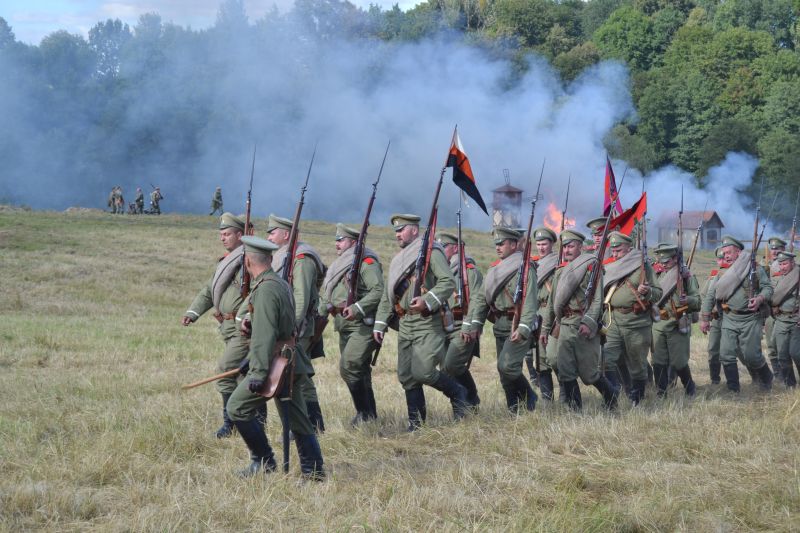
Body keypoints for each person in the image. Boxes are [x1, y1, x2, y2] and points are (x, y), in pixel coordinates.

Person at [226, 235, 325, 480]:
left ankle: (264, 461)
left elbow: (265, 335)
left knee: (236, 407)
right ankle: (314, 473)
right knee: (299, 418)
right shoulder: (278, 283)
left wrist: (258, 373)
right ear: (270, 259)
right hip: (290, 359)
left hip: (276, 363)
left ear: (247, 261)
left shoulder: (266, 289)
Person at [373, 214, 467, 431]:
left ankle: (457, 392)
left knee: (423, 372)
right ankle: (416, 423)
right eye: (396, 231)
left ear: (414, 230)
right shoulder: (399, 259)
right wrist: (380, 324)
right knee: (406, 375)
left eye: (401, 230)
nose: (397, 234)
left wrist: (427, 301)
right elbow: (390, 294)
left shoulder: (431, 252)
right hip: (406, 323)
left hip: (427, 322)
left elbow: (447, 282)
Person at [181, 213, 251, 438]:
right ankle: (249, 423)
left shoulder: (249, 261)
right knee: (242, 375)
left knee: (224, 371)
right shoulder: (226, 261)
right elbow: (209, 290)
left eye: (227, 234)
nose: (223, 238)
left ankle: (230, 424)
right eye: (221, 234)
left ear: (240, 235)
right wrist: (193, 312)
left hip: (244, 329)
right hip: (227, 328)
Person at [539, 230, 618, 410]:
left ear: (580, 247)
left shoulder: (591, 266)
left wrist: (588, 322)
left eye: (571, 246)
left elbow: (598, 300)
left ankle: (611, 396)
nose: (566, 250)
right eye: (565, 246)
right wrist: (545, 330)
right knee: (565, 370)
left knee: (589, 374)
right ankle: (575, 410)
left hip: (583, 325)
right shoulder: (560, 272)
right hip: (565, 324)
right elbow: (552, 303)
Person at [318, 223, 384, 425]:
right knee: (360, 369)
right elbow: (329, 292)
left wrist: (357, 308)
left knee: (349, 366)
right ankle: (369, 415)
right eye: (336, 240)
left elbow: (378, 290)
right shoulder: (341, 264)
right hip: (343, 324)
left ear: (353, 242)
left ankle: (363, 413)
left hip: (362, 323)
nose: (337, 244)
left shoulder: (367, 261)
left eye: (341, 240)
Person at [266, 214, 327, 432]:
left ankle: (314, 424)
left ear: (286, 235)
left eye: (273, 232)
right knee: (294, 375)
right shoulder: (284, 256)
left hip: (299, 327)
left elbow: (300, 297)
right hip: (292, 326)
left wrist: (291, 327)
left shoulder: (302, 259)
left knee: (300, 376)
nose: (269, 236)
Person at [470, 226, 539, 412]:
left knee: (507, 366)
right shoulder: (494, 270)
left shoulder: (525, 268)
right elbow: (482, 298)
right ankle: (514, 408)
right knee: (504, 373)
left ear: (515, 244)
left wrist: (524, 329)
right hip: (500, 324)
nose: (498, 247)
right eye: (496, 244)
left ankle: (530, 396)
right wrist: (476, 324)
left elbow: (531, 301)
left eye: (502, 244)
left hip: (518, 324)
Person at [699, 235, 774, 392]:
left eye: (729, 252)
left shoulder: (754, 268)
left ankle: (767, 379)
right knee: (725, 355)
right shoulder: (722, 273)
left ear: (738, 252)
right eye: (724, 253)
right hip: (729, 318)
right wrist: (705, 318)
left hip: (750, 318)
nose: (726, 255)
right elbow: (711, 296)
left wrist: (760, 298)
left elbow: (768, 288)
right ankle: (734, 390)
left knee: (752, 356)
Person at [601, 231, 661, 404]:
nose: (615, 253)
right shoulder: (611, 266)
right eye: (613, 249)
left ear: (628, 247)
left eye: (619, 249)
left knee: (637, 364)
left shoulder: (642, 266)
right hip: (613, 320)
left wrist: (648, 291)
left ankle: (638, 398)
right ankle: (613, 394)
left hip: (636, 322)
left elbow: (658, 293)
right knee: (606, 359)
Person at [436, 231, 483, 409]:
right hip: (444, 325)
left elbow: (478, 301)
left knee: (451, 366)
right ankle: (461, 406)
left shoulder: (469, 271)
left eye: (444, 247)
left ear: (455, 248)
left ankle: (470, 398)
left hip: (463, 325)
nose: (440, 251)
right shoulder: (441, 270)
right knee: (447, 369)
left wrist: (470, 325)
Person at [651, 243, 700, 397]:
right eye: (661, 262)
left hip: (677, 323)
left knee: (679, 361)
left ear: (675, 258)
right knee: (658, 361)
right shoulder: (657, 275)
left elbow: (698, 301)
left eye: (666, 262)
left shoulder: (686, 276)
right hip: (658, 322)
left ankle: (690, 388)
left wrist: (688, 300)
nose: (663, 265)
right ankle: (661, 392)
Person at [530, 227, 559, 401]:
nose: (541, 248)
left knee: (555, 357)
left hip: (554, 312)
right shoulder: (534, 264)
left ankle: (567, 397)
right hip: (537, 313)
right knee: (540, 360)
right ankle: (548, 401)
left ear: (552, 244)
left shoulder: (557, 263)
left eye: (544, 244)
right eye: (538, 244)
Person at [700, 247, 730, 384]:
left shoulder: (736, 275)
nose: (723, 260)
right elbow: (705, 296)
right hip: (718, 319)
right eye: (720, 258)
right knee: (713, 350)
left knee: (738, 351)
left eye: (725, 257)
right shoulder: (714, 276)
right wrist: (708, 313)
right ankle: (715, 380)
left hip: (733, 318)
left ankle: (756, 376)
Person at [770, 250, 800, 387]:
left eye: (785, 263)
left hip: (796, 320)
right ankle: (790, 384)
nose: (782, 267)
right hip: (781, 319)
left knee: (796, 353)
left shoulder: (797, 277)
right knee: (782, 354)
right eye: (780, 264)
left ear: (792, 263)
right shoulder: (778, 278)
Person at [764, 237, 787, 378]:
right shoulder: (763, 266)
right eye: (772, 249)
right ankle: (778, 375)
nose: (774, 251)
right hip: (768, 312)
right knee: (771, 345)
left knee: (786, 346)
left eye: (777, 249)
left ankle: (787, 373)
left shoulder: (789, 266)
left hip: (785, 312)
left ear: (783, 250)